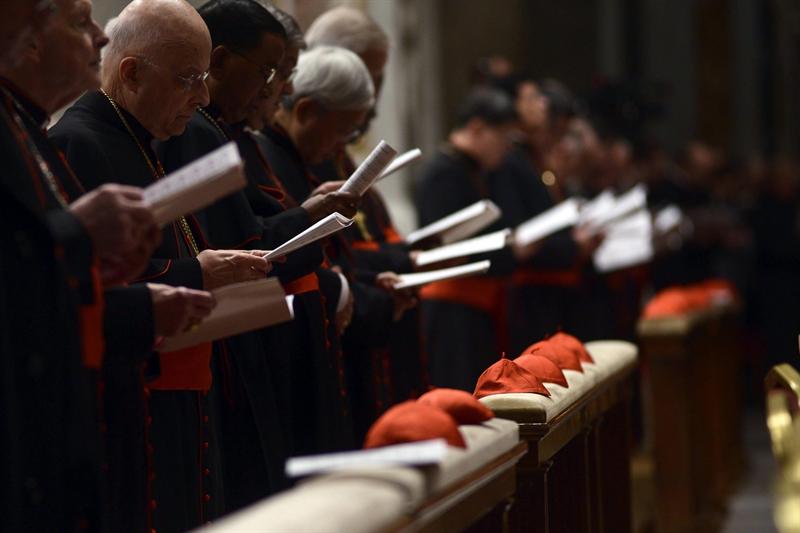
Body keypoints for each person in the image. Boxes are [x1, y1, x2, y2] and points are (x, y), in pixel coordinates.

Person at [48, 0, 277, 529]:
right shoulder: (79, 141)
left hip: (182, 387)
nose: (203, 97)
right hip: (138, 401)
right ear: (131, 73)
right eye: (189, 79)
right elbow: (91, 286)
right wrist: (199, 272)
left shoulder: (140, 135)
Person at [155, 0, 361, 511]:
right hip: (233, 346)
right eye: (269, 71)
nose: (278, 88)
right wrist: (310, 217)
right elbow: (248, 246)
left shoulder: (225, 134)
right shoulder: (201, 133)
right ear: (221, 62)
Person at [305, 6, 427, 405]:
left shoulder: (332, 145)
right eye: (371, 78)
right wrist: (398, 259)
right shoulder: (310, 146)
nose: (374, 97)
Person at [414, 87, 518, 391]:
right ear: (477, 127)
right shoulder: (443, 173)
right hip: (452, 311)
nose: (507, 148)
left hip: (474, 307)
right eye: (503, 137)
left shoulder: (472, 170)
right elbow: (443, 246)